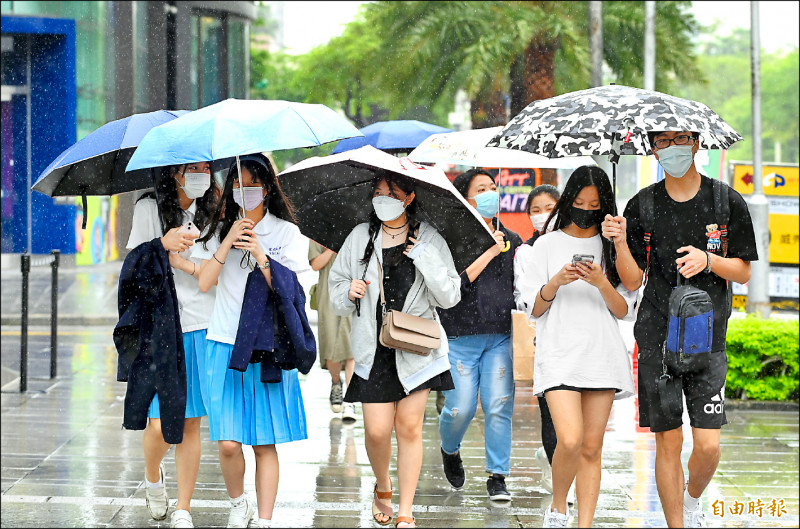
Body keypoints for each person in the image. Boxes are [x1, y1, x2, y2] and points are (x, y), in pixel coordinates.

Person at [601, 130, 758, 528]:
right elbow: (633, 281)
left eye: (682, 138)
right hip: (657, 340)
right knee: (667, 441)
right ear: (652, 148)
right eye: (664, 141)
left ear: (697, 144)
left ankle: (692, 498)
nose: (673, 147)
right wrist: (620, 242)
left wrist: (709, 260)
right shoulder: (643, 205)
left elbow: (742, 271)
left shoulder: (725, 201)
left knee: (708, 446)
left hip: (708, 342)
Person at [328, 173, 461, 529]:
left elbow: (450, 295)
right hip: (373, 348)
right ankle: (383, 485)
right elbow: (336, 288)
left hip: (417, 349)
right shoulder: (361, 237)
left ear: (409, 197)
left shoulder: (429, 237)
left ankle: (406, 511)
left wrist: (424, 258)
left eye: (391, 193)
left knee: (409, 427)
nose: (382, 198)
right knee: (375, 431)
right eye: (378, 192)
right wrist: (349, 291)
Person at [516, 165, 636, 528]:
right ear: (568, 201)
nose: (586, 209)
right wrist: (556, 281)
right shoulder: (546, 244)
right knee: (568, 439)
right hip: (559, 352)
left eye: (594, 203)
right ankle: (557, 507)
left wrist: (602, 280)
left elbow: (624, 309)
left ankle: (584, 522)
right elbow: (534, 308)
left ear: (604, 206)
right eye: (580, 201)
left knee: (590, 448)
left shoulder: (609, 245)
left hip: (602, 353)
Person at [194, 154, 310, 528]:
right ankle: (237, 502)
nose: (247, 191)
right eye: (239, 184)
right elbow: (204, 282)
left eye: (253, 183)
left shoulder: (286, 232)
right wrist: (227, 240)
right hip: (224, 343)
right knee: (227, 442)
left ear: (268, 187)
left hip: (266, 349)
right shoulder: (218, 229)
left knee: (263, 442)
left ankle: (263, 519)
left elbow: (293, 291)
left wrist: (261, 255)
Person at [125, 161, 218, 529]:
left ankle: (183, 508)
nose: (201, 174)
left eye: (206, 167)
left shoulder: (215, 210)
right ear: (174, 172)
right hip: (162, 329)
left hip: (201, 324)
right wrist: (162, 245)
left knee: (190, 424)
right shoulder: (149, 208)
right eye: (191, 167)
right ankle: (152, 475)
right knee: (162, 425)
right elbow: (132, 266)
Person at [436, 168, 522, 502]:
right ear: (465, 199)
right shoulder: (451, 240)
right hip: (459, 337)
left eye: (492, 187)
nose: (490, 194)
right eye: (481, 189)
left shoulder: (512, 241)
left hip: (500, 336)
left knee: (499, 405)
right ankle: (450, 448)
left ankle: (497, 476)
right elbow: (452, 285)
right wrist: (488, 250)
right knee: (460, 408)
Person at [513, 184, 574, 505]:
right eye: (535, 210)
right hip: (544, 339)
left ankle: (563, 466)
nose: (542, 216)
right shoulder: (526, 252)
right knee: (550, 413)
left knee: (576, 419)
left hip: (579, 339)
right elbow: (526, 302)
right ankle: (555, 471)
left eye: (548, 208)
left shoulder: (579, 244)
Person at [308, 240, 357, 421]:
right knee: (329, 345)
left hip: (353, 291)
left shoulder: (357, 231)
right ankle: (336, 383)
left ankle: (350, 401)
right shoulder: (317, 233)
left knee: (351, 347)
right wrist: (331, 248)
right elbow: (315, 265)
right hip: (327, 293)